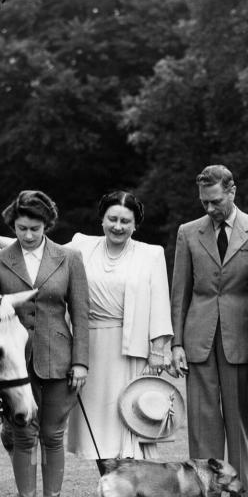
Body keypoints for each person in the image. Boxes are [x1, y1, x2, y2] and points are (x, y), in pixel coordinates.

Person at [168, 165, 248, 497]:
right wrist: (177, 343)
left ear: (232, 192)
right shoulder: (187, 232)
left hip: (244, 339)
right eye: (203, 202)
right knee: (203, 426)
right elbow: (179, 291)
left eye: (214, 201)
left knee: (239, 423)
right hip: (199, 340)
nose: (209, 208)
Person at [0, 190, 89, 497]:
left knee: (52, 435)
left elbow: (80, 314)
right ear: (12, 225)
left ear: (47, 225)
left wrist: (81, 363)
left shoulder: (69, 258)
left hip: (59, 359)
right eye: (21, 228)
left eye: (34, 228)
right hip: (16, 366)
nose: (27, 235)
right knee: (23, 436)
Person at [65, 190, 173, 470]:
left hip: (130, 351)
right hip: (88, 349)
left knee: (129, 420)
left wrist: (159, 351)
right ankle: (111, 488)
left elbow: (161, 302)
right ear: (101, 219)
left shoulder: (151, 254)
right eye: (112, 219)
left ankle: (129, 494)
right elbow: (39, 248)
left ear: (136, 224)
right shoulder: (81, 246)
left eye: (125, 221)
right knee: (97, 427)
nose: (118, 226)